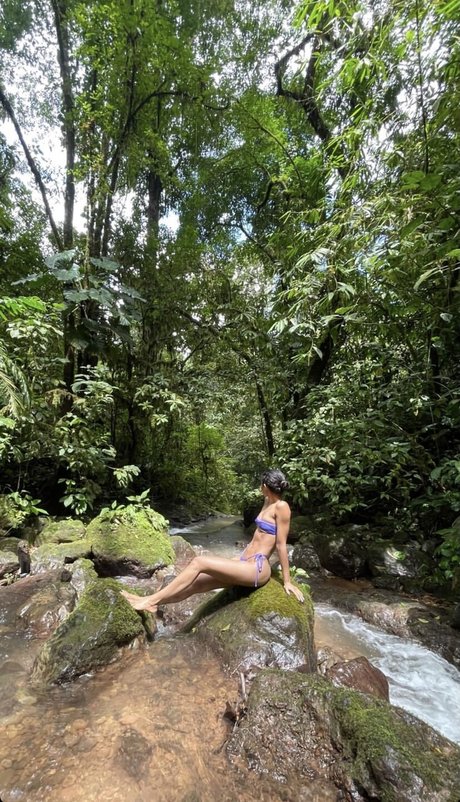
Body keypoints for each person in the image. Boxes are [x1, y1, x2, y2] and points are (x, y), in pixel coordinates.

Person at [120, 468, 304, 614]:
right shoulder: (267, 502)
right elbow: (258, 534)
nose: (259, 486)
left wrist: (286, 581)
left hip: (257, 568)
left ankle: (149, 601)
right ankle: (152, 602)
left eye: (260, 483)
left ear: (265, 485)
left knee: (200, 562)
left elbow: (281, 545)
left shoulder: (282, 507)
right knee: (197, 584)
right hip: (243, 561)